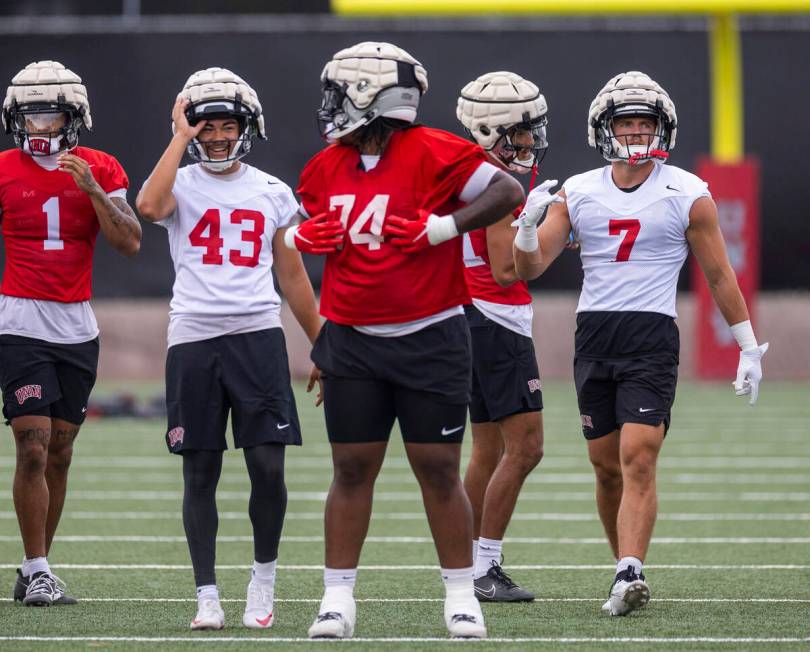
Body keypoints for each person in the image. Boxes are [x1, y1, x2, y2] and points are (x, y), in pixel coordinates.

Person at [286, 42, 524, 639]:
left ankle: (461, 594)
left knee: (439, 469)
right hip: (352, 339)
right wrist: (303, 240)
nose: (331, 106)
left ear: (370, 97)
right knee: (350, 467)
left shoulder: (435, 149)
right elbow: (308, 235)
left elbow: (506, 192)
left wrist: (442, 226)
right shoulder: (322, 167)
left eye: (341, 93)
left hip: (431, 334)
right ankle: (337, 599)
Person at [512, 71, 769, 616]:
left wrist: (747, 345)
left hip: (651, 334)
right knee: (605, 467)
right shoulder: (578, 191)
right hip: (595, 335)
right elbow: (528, 268)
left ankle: (632, 566)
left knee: (638, 457)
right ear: (604, 129)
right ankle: (621, 569)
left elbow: (720, 275)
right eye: (624, 123)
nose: (633, 133)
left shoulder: (687, 193)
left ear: (662, 129)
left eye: (643, 123)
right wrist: (527, 228)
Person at [136, 67, 322, 631]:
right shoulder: (179, 182)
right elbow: (147, 206)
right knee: (200, 472)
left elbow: (292, 277)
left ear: (248, 127)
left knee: (268, 465)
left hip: (256, 336)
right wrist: (178, 135)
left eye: (226, 125)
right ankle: (207, 594)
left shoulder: (271, 190)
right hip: (193, 338)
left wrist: (324, 346)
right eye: (205, 125)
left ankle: (262, 580)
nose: (216, 136)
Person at [0, 60, 141, 606]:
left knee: (60, 450)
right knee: (31, 447)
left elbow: (129, 242)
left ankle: (37, 564)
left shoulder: (100, 166)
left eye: (51, 116)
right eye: (32, 117)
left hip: (76, 324)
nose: (42, 128)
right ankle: (38, 569)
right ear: (17, 120)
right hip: (19, 322)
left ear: (73, 118)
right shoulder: (5, 168)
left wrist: (94, 191)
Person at [455, 71, 554, 602]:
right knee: (527, 448)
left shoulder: (470, 169)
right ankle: (484, 564)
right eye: (522, 132)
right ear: (491, 130)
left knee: (486, 451)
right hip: (495, 317)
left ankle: (464, 564)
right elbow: (505, 269)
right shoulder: (496, 179)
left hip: (473, 315)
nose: (531, 142)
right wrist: (531, 228)